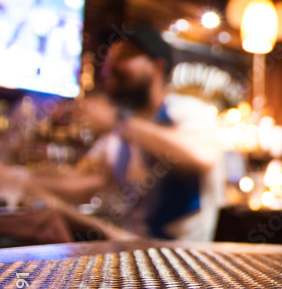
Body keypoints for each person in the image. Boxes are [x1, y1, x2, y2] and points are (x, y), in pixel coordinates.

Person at [18, 22, 225, 241]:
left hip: (186, 259)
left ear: (157, 68)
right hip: (133, 252)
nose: (110, 67)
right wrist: (21, 182)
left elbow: (203, 156)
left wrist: (118, 122)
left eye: (124, 56)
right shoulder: (121, 131)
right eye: (109, 58)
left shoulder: (185, 110)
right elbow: (87, 183)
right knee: (44, 218)